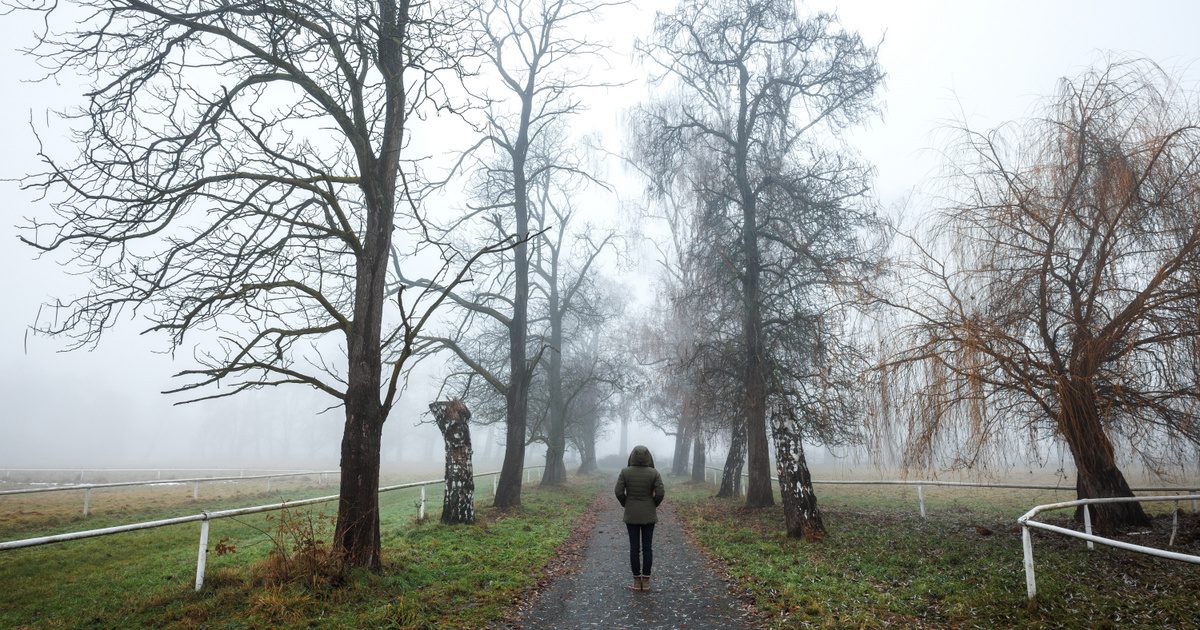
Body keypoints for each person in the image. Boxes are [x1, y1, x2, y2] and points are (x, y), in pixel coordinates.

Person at [614, 445, 665, 592]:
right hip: (649, 515)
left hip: (631, 515)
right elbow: (660, 493)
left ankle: (637, 582)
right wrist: (652, 504)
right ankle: (647, 583)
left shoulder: (625, 472)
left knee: (634, 548)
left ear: (632, 456)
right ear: (648, 457)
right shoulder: (654, 473)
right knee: (647, 548)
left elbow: (618, 491)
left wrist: (626, 503)